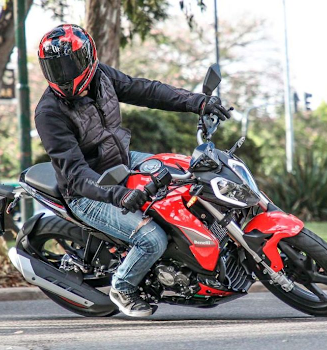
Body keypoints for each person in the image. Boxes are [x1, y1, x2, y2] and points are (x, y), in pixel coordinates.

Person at [35, 24, 231, 317]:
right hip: (88, 190)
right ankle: (123, 288)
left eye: (69, 65)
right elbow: (75, 174)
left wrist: (198, 102)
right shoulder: (49, 112)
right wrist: (118, 195)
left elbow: (147, 91)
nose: (64, 75)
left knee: (187, 172)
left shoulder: (103, 77)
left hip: (124, 160)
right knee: (151, 239)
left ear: (87, 58)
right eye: (55, 69)